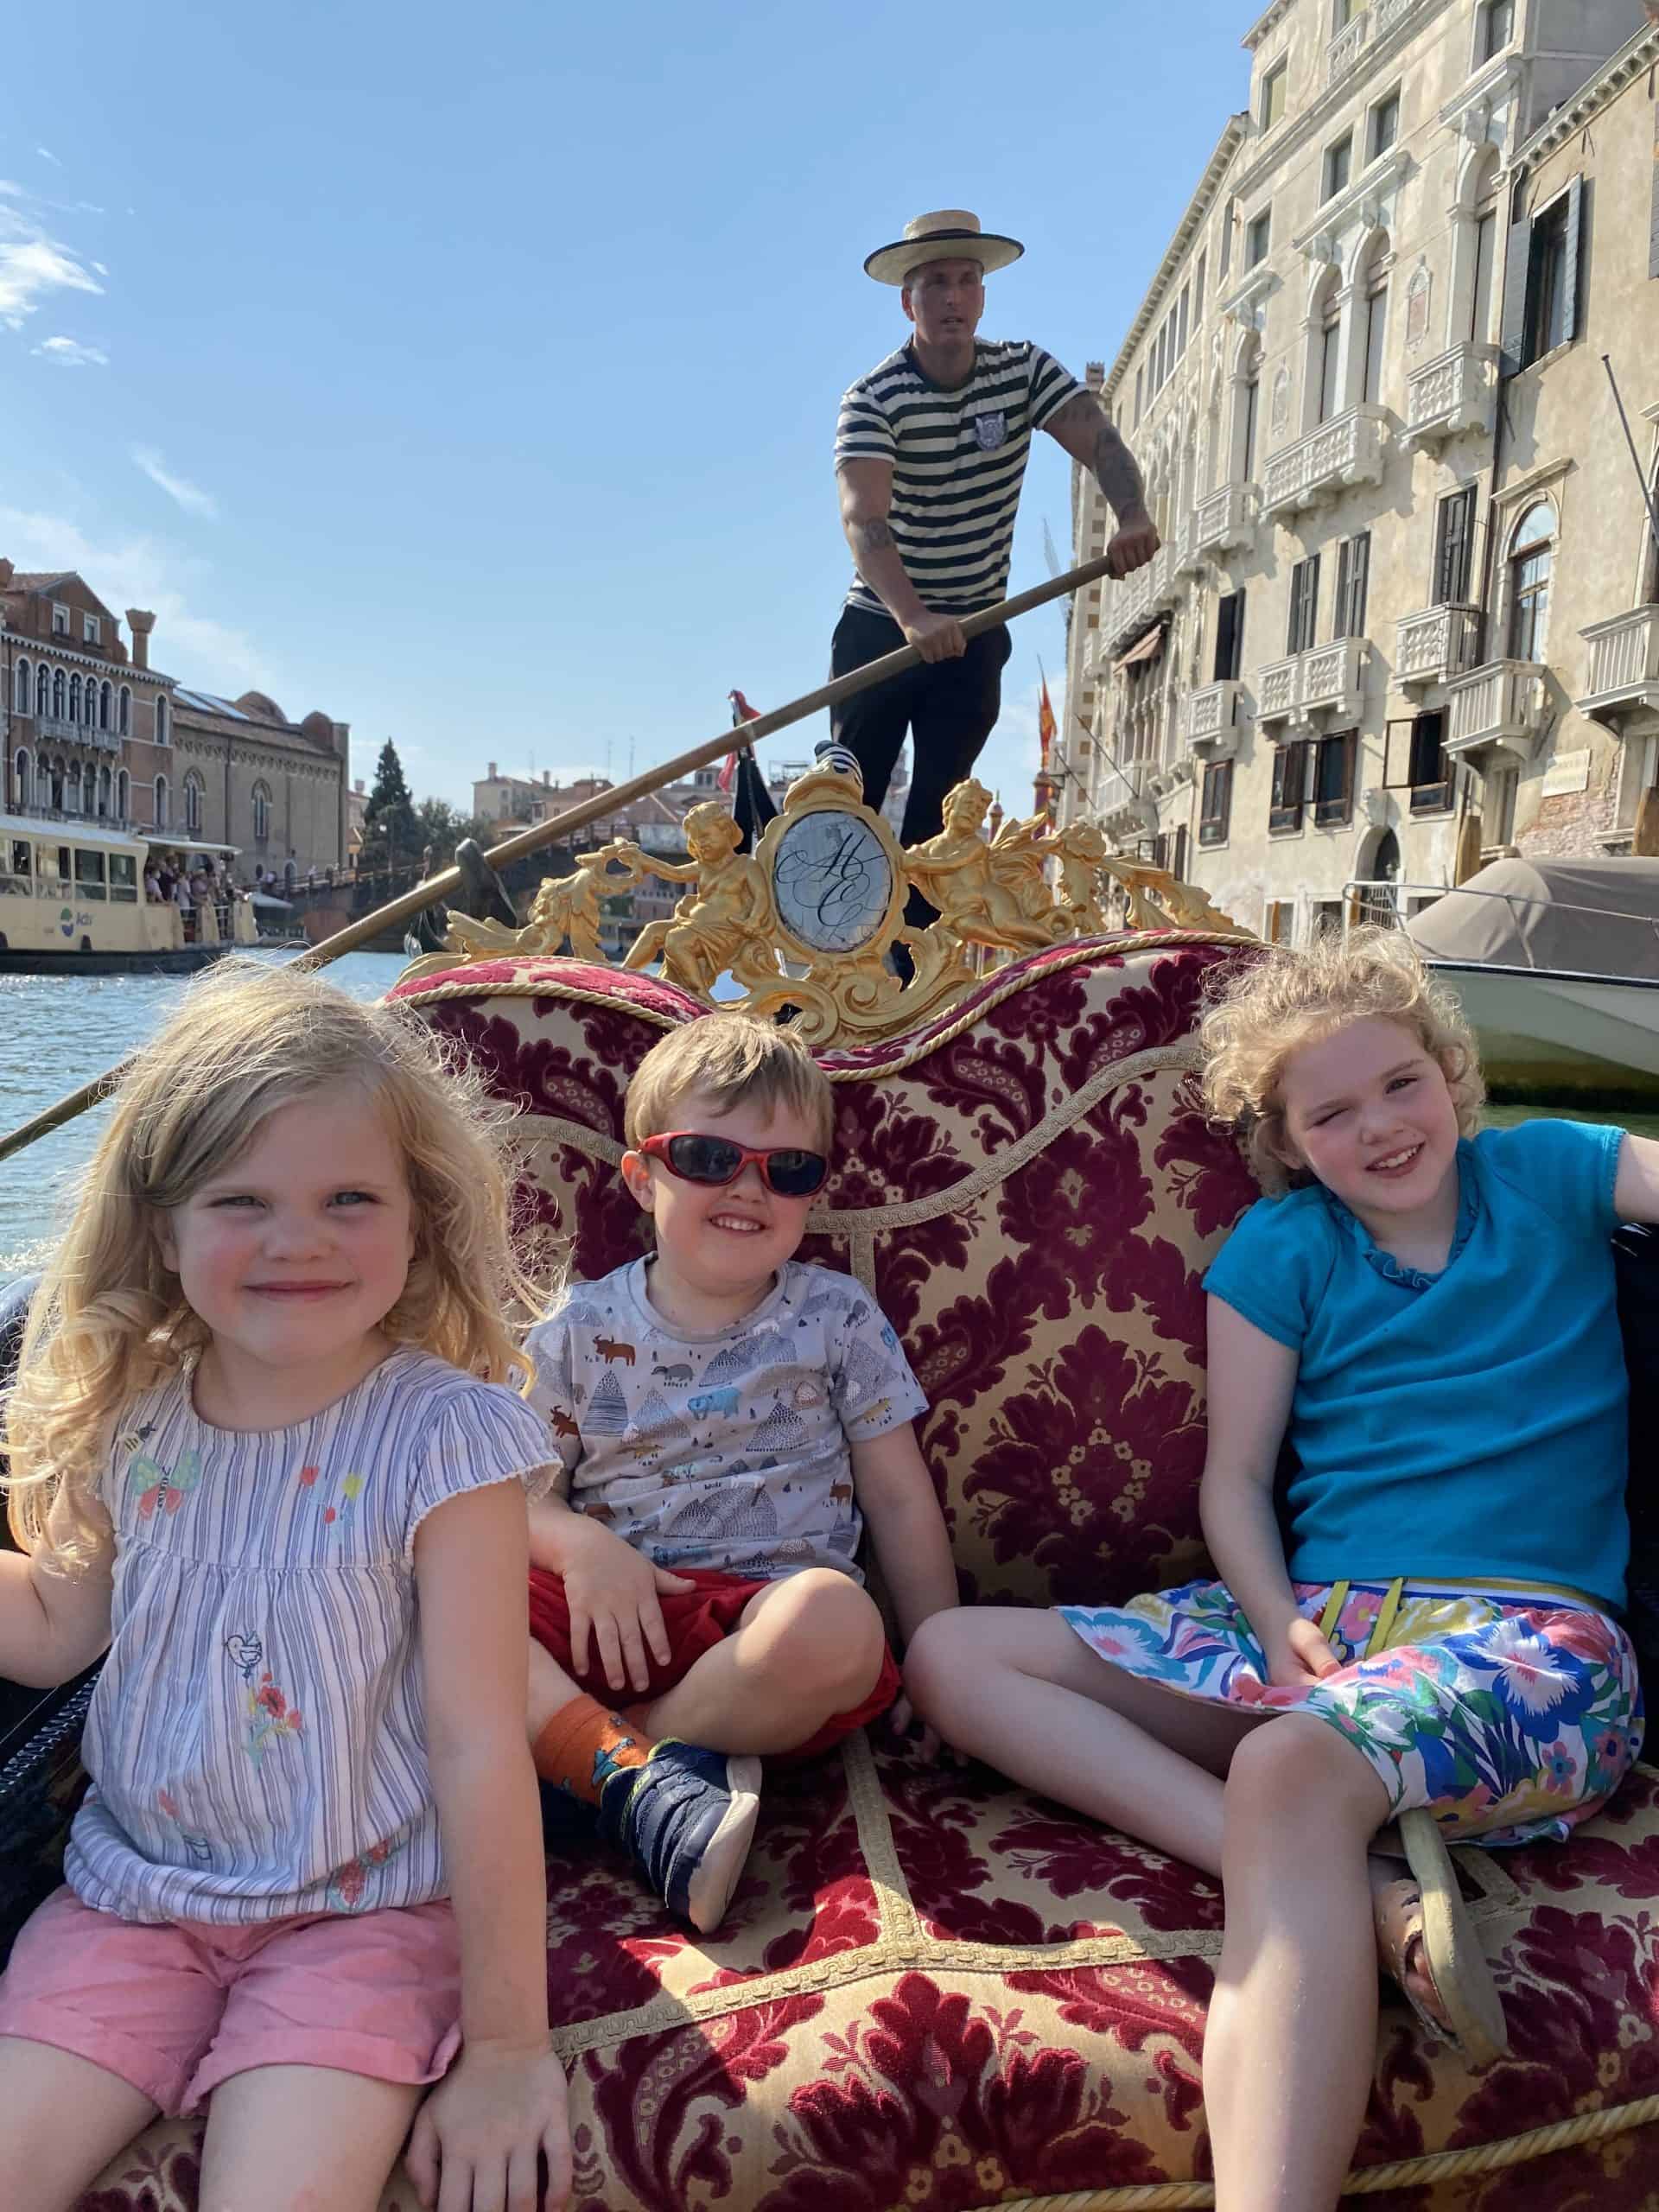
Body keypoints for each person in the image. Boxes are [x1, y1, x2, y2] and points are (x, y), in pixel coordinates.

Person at [905, 928, 1657, 2212]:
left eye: (1401, 1084)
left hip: (1538, 1649)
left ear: (1452, 1074)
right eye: (1333, 1111)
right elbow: (1234, 1485)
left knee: (1289, 1763)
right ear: (1288, 1136)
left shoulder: (1556, 1171)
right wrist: (1274, 1629)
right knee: (952, 1653)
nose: (1381, 1128)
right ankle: (1361, 1889)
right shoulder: (1280, 1249)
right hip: (1327, 1624)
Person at [0, 961, 571, 2212]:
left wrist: (510, 2048)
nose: (297, 1239)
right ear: (164, 1226)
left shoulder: (445, 1439)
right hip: (127, 1902)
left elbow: (480, 1743)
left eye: (348, 1197)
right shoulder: (134, 1416)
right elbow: (52, 1631)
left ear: (419, 1216)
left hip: (362, 1916)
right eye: (240, 1199)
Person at [521, 1011, 957, 1932]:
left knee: (838, 1622)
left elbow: (897, 1494)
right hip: (624, 1607)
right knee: (449, 1593)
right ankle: (648, 1778)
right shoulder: (572, 1332)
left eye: (787, 1169)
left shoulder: (837, 1317)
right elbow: (516, 1495)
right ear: (642, 1176)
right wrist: (581, 1547)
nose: (749, 1187)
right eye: (711, 1158)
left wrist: (938, 1661)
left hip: (770, 1632)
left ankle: (599, 1762)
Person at [831, 208, 1159, 905]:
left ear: (981, 295)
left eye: (966, 282)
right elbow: (865, 519)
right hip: (880, 629)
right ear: (907, 301)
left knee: (941, 819)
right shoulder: (872, 399)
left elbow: (1098, 440)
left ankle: (912, 972)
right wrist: (914, 616)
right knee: (847, 811)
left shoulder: (1023, 370)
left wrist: (1130, 513)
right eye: (935, 284)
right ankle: (831, 969)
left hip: (975, 632)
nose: (952, 298)